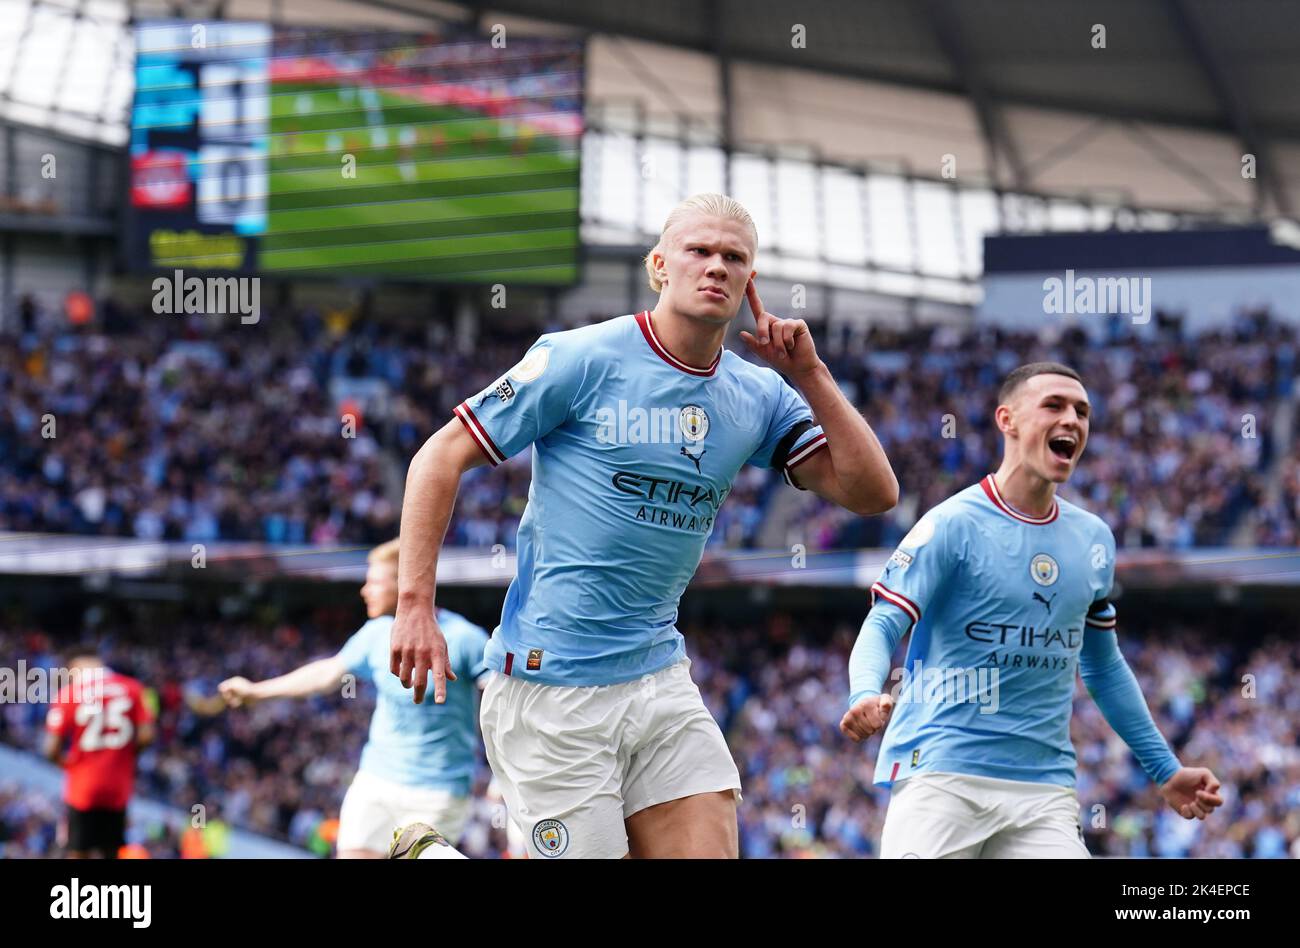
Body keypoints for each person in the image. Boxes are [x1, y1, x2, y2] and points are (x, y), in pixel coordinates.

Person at [390, 192, 898, 859]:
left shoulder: (760, 394)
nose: (716, 266)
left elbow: (873, 492)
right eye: (699, 251)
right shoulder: (581, 358)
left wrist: (811, 374)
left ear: (751, 281)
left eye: (734, 257)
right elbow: (440, 455)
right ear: (660, 266)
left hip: (660, 677)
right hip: (552, 687)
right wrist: (413, 604)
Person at [840, 362, 1224, 858]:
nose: (1073, 421)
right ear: (1008, 420)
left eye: (1082, 412)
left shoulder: (1093, 540)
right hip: (943, 776)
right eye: (1055, 406)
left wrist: (1166, 769)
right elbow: (884, 622)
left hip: (1043, 790)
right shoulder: (952, 525)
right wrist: (865, 692)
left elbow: (1103, 666)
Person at [219, 539, 489, 857]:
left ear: (405, 584)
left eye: (374, 581)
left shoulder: (465, 639)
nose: (364, 590)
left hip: (437, 792)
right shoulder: (375, 634)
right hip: (376, 780)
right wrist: (257, 691)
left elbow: (500, 701)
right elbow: (327, 674)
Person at [43, 656, 155, 858]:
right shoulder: (133, 688)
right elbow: (147, 735)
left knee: (78, 850)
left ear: (75, 668)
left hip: (83, 786)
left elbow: (50, 749)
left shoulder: (70, 693)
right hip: (118, 785)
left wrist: (70, 765)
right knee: (111, 850)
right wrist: (126, 757)